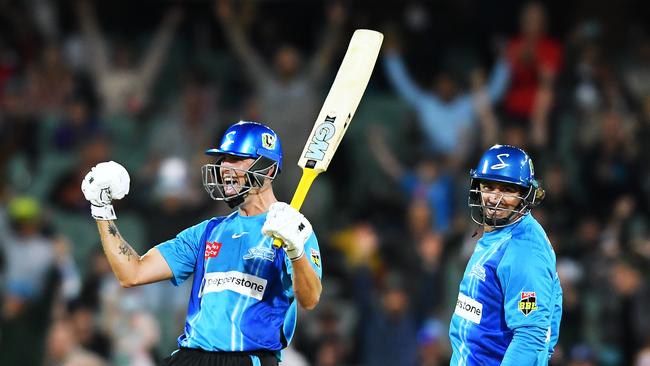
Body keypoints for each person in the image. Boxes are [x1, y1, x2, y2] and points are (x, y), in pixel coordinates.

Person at [80, 121, 323, 366]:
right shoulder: (208, 232)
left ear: (268, 170)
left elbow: (310, 298)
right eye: (223, 159)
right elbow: (132, 273)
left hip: (248, 359)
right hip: (191, 357)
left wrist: (296, 250)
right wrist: (102, 210)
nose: (225, 167)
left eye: (236, 158)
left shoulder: (296, 231)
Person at [448, 144, 562, 365]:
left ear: (525, 194)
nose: (494, 198)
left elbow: (530, 337)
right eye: (489, 186)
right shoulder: (500, 234)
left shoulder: (524, 249)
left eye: (507, 190)